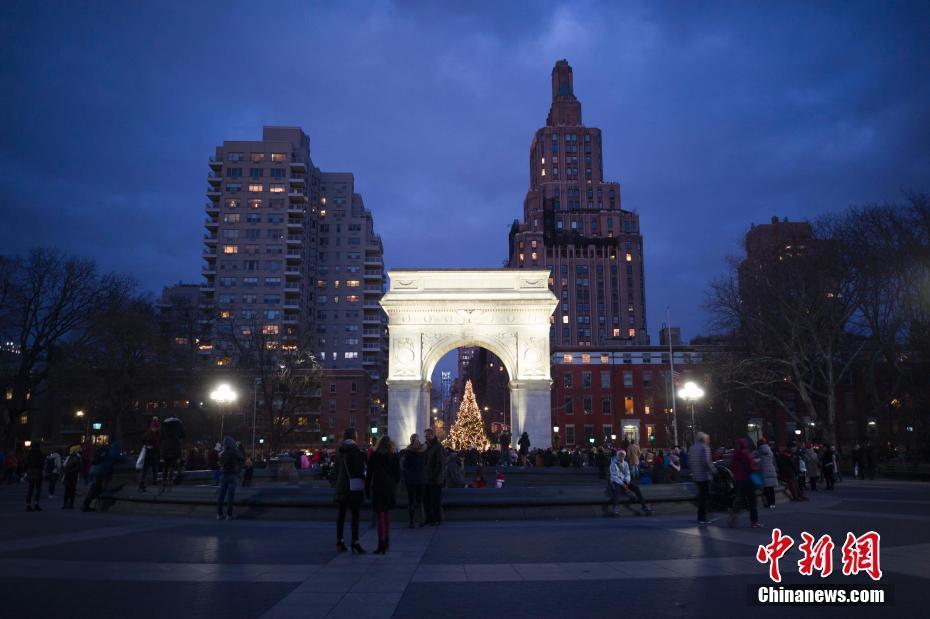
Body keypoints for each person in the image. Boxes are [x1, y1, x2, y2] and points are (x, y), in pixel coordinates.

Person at [334, 428, 366, 554]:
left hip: (342, 486)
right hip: (353, 487)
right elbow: (358, 469)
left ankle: (340, 541)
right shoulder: (356, 450)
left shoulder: (339, 449)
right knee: (355, 516)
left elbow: (336, 468)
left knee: (341, 515)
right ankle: (355, 542)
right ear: (354, 437)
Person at [366, 435, 400, 555]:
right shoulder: (394, 456)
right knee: (386, 515)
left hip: (378, 487)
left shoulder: (375, 456)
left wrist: (367, 490)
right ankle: (386, 539)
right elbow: (398, 475)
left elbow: (369, 474)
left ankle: (381, 543)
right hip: (390, 488)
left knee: (380, 515)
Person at [606, 449, 652, 515]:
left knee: (636, 488)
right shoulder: (613, 464)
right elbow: (614, 476)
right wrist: (623, 484)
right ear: (617, 456)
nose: (621, 458)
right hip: (616, 481)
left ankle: (644, 506)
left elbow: (627, 473)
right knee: (617, 490)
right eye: (620, 456)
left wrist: (627, 480)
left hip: (624, 480)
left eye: (623, 456)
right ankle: (615, 507)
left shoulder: (625, 463)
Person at [82, 441, 124, 512]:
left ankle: (87, 505)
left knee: (96, 489)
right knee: (95, 489)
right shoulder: (113, 452)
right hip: (100, 472)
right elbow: (122, 459)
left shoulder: (106, 452)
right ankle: (85, 505)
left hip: (93, 470)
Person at [729, 438, 761, 528]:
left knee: (739, 499)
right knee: (752, 501)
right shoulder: (747, 454)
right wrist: (756, 468)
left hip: (738, 480)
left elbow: (733, 467)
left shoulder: (735, 455)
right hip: (748, 480)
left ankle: (733, 515)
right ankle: (754, 522)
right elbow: (751, 468)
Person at [401, 434, 427, 528]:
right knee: (420, 501)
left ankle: (412, 521)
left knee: (411, 501)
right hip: (421, 479)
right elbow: (426, 464)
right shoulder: (423, 452)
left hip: (411, 480)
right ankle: (421, 520)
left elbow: (405, 465)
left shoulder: (408, 452)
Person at [216, 435, 245, 520]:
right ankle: (229, 514)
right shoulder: (235, 452)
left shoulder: (222, 453)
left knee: (221, 496)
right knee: (230, 496)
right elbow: (242, 458)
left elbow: (219, 463)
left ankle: (219, 514)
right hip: (232, 475)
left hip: (224, 475)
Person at [691, 432, 714, 524]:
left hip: (696, 476)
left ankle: (701, 516)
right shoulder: (705, 448)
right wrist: (714, 471)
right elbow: (707, 462)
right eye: (708, 439)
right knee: (705, 497)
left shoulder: (692, 448)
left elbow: (690, 462)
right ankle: (703, 517)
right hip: (705, 476)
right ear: (704, 439)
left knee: (701, 496)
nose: (709, 441)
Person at [423, 428, 444, 526]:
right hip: (427, 478)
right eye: (425, 436)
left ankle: (436, 519)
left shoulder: (438, 447)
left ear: (432, 435)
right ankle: (429, 518)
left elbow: (439, 464)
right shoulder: (427, 446)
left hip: (435, 479)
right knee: (427, 500)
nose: (425, 438)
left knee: (435, 500)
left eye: (427, 436)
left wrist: (434, 476)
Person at [138, 416, 161, 492]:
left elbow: (143, 441)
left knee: (151, 469)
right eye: (154, 428)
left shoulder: (151, 434)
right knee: (150, 469)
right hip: (151, 454)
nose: (155, 429)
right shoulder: (153, 434)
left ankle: (147, 482)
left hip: (151, 454)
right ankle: (145, 482)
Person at [161, 417, 184, 489]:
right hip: (173, 455)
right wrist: (180, 456)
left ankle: (164, 480)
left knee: (165, 467)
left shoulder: (165, 438)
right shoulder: (176, 439)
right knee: (171, 467)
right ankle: (170, 480)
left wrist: (162, 456)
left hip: (166, 455)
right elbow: (178, 448)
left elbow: (162, 448)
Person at [755, 438, 778, 508]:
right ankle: (772, 504)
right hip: (771, 469)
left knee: (766, 488)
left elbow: (756, 460)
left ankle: (769, 503)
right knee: (771, 489)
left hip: (764, 470)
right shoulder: (769, 450)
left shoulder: (760, 451)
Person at [24, 442, 45, 512]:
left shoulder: (29, 454)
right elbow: (42, 463)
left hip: (30, 471)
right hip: (38, 471)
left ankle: (28, 505)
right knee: (38, 489)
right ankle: (36, 504)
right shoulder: (40, 453)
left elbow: (26, 463)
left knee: (30, 489)